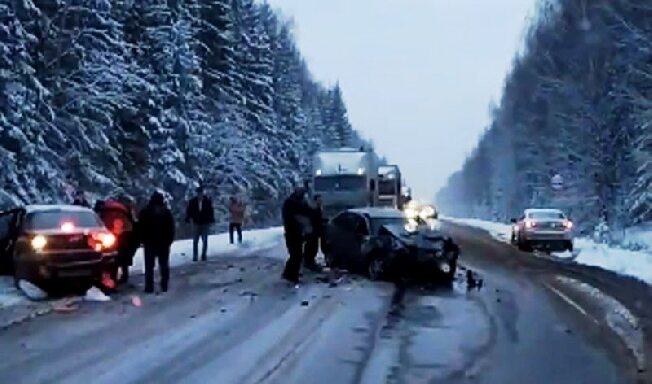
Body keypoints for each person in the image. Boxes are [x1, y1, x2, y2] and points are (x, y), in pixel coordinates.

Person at [138, 191, 175, 293]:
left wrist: (142, 240)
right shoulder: (166, 212)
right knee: (164, 265)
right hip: (163, 243)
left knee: (149, 266)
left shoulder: (145, 212)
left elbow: (140, 227)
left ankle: (149, 287)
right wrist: (169, 240)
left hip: (150, 243)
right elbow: (171, 228)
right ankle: (164, 285)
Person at [281, 187, 313, 283]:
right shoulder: (292, 203)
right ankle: (291, 275)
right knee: (296, 255)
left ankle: (289, 273)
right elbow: (303, 212)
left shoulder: (293, 202)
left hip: (296, 232)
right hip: (293, 233)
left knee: (296, 255)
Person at [185, 186, 215, 262]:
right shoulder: (192, 202)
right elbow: (189, 211)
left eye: (201, 193)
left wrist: (211, 220)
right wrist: (188, 218)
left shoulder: (207, 201)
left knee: (204, 240)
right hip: (196, 223)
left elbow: (211, 211)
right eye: (198, 193)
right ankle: (195, 256)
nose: (200, 195)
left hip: (205, 223)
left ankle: (203, 255)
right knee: (195, 240)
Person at [303, 194, 324, 272]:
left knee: (313, 247)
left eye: (320, 200)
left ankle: (309, 261)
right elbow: (314, 220)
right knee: (310, 247)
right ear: (315, 201)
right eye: (318, 200)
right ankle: (308, 262)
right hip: (311, 232)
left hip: (315, 232)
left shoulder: (318, 208)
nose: (320, 201)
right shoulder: (313, 209)